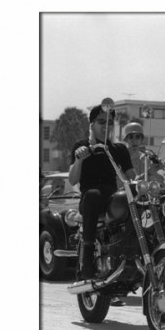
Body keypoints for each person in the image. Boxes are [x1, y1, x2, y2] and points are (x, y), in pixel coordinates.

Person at [69, 104, 136, 281]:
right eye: (101, 121)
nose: (106, 126)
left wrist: (150, 175)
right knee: (93, 195)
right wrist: (79, 159)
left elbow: (131, 177)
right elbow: (73, 180)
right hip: (90, 199)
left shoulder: (119, 150)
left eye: (110, 122)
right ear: (91, 124)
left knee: (130, 200)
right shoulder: (81, 147)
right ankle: (88, 260)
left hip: (111, 198)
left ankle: (134, 256)